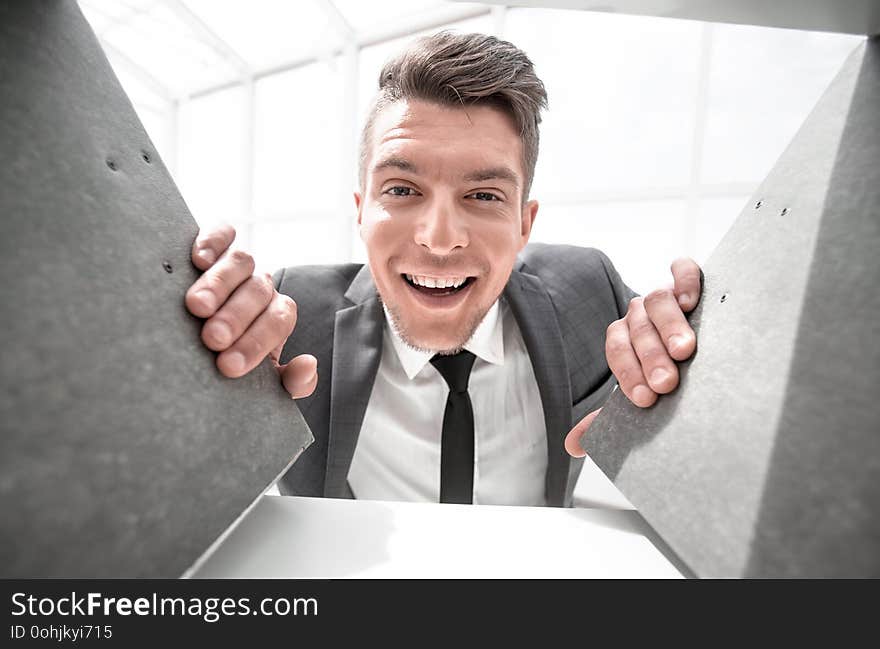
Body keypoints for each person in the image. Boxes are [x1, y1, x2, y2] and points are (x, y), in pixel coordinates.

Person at [184, 32, 701, 507]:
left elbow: (676, 373)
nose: (439, 237)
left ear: (525, 224)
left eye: (482, 195)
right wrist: (204, 382)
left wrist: (697, 339)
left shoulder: (588, 286)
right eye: (402, 190)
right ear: (362, 210)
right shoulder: (295, 315)